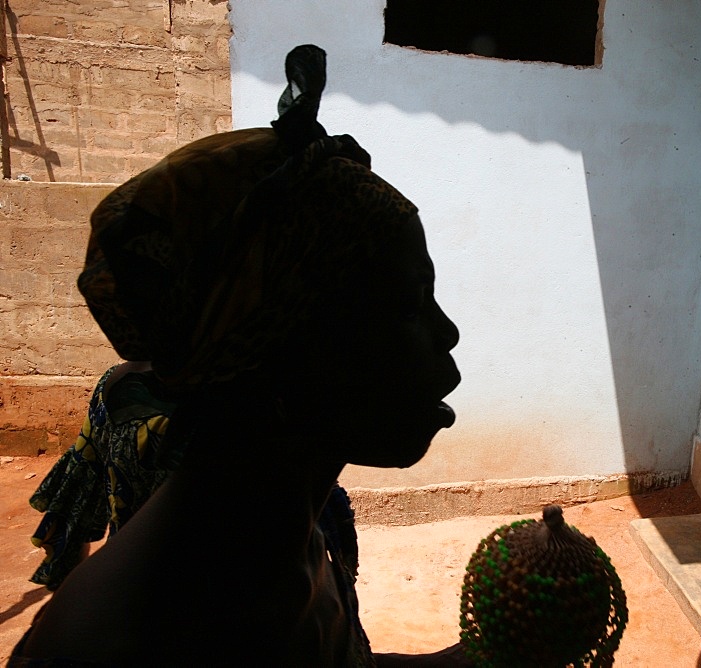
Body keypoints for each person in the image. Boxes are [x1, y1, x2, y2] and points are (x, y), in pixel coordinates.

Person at [10, 44, 468, 666]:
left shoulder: (274, 544)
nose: (449, 333)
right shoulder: (130, 643)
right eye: (411, 304)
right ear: (281, 352)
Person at [27, 361, 168, 590]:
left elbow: (79, 494)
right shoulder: (227, 401)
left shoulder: (117, 382)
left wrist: (66, 589)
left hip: (127, 579)